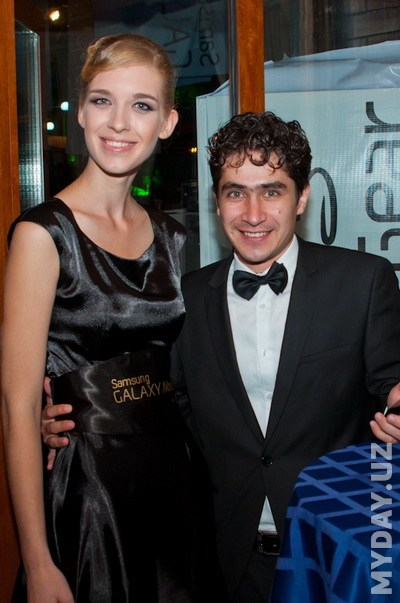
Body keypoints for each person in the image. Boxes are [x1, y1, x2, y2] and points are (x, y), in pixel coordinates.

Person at [41, 111, 400, 602]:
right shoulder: (182, 299)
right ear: (216, 201)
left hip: (333, 555)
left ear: (301, 198)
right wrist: (70, 422)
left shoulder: (364, 281)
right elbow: (150, 406)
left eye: (272, 191)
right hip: (225, 563)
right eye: (236, 193)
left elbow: (390, 387)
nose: (253, 214)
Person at [2, 33, 224, 603]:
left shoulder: (172, 237)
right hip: (89, 493)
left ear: (167, 123)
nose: (119, 122)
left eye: (141, 105)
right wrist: (37, 559)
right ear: (81, 112)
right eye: (103, 100)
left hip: (174, 482)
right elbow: (18, 405)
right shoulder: (43, 235)